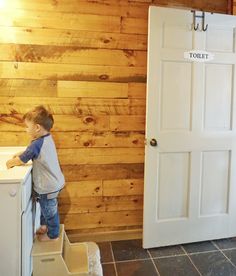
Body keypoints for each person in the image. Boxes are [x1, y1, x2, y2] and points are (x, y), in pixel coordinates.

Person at [6, 105, 65, 242]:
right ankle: (44, 227)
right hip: (54, 182)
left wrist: (11, 162)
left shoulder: (36, 144)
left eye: (27, 127)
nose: (26, 130)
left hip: (48, 186)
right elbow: (31, 152)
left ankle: (53, 235)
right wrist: (22, 153)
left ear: (37, 128)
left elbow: (22, 159)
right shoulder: (46, 138)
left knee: (50, 211)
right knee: (45, 207)